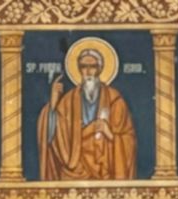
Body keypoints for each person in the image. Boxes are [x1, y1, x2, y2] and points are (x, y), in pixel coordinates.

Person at [37, 46, 136, 180]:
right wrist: (53, 106)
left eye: (93, 66)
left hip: (103, 166)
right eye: (84, 67)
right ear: (79, 70)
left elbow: (128, 140)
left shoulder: (114, 100)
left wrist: (110, 134)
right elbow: (54, 135)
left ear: (100, 69)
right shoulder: (68, 100)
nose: (88, 72)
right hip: (75, 165)